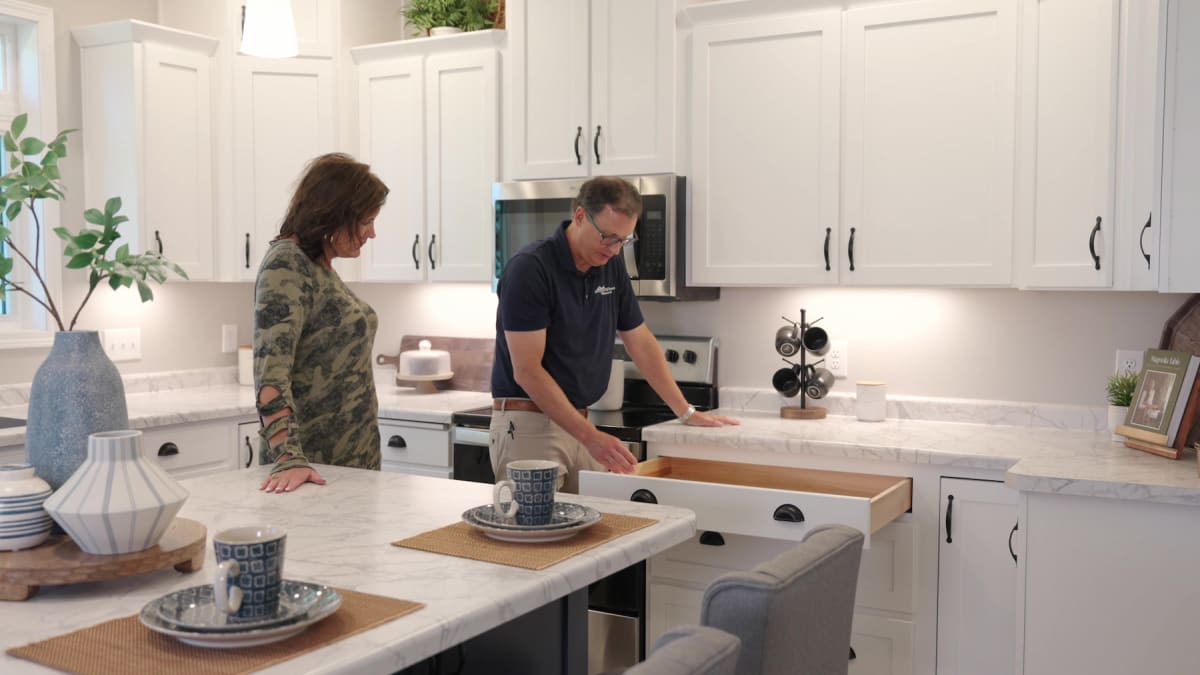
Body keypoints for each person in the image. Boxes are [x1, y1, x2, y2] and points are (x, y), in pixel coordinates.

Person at [490, 176, 738, 493]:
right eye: (608, 237)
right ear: (580, 216)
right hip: (528, 426)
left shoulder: (609, 264)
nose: (615, 248)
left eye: (624, 240)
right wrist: (590, 436)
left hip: (578, 421)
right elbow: (526, 370)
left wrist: (685, 411)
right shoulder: (530, 269)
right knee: (534, 539)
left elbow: (640, 340)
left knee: (596, 534)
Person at [253, 153, 389, 494]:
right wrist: (288, 459)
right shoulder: (286, 263)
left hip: (352, 466)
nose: (372, 233)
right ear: (334, 213)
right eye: (366, 220)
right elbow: (271, 374)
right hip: (310, 471)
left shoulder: (318, 267)